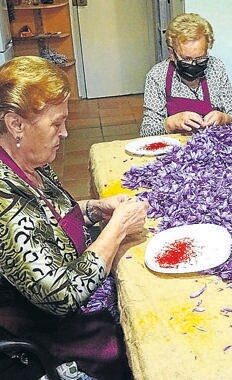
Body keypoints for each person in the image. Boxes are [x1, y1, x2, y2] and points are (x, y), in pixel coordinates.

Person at [0, 56, 148, 379]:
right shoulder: (4, 204)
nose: (65, 133)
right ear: (16, 125)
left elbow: (51, 218)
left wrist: (95, 208)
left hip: (79, 319)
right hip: (58, 343)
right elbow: (62, 293)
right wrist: (118, 227)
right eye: (56, 123)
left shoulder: (32, 165)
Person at [140, 13, 232, 137]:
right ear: (171, 52)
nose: (194, 64)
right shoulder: (157, 76)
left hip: (214, 146)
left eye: (201, 58)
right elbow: (146, 132)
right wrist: (171, 124)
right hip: (176, 150)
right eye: (186, 59)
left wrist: (225, 119)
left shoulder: (216, 68)